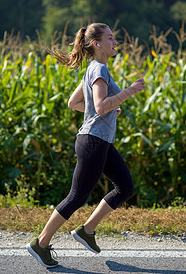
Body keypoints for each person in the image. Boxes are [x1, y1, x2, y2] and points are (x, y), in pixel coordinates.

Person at [26, 23, 146, 268]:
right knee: (76, 197)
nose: (115, 42)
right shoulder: (99, 69)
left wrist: (109, 109)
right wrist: (129, 91)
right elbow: (100, 106)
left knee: (124, 186)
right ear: (97, 44)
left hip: (98, 140)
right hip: (93, 141)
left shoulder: (93, 69)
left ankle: (87, 231)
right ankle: (41, 242)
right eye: (110, 38)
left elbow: (75, 103)